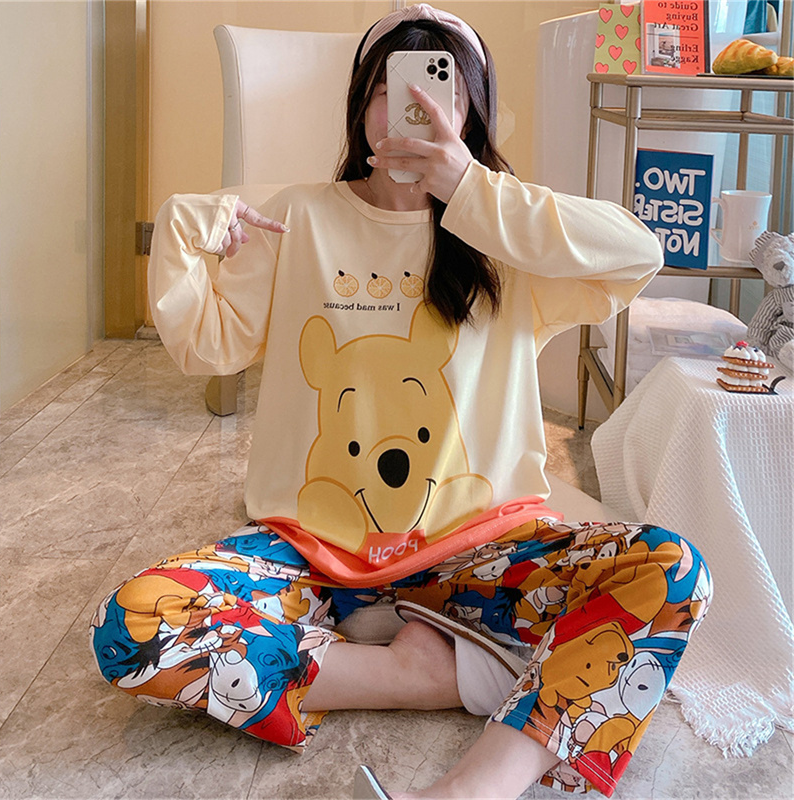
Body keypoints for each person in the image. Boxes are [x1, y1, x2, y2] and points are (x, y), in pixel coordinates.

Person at [89, 5, 712, 798]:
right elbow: (206, 346)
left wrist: (471, 190)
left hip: (482, 553)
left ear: (470, 112)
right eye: (386, 88)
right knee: (135, 625)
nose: (407, 106)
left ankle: (469, 789)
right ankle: (428, 673)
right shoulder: (300, 217)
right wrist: (181, 235)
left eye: (435, 87)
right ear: (360, 105)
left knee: (675, 573)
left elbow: (638, 253)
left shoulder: (505, 234)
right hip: (311, 556)